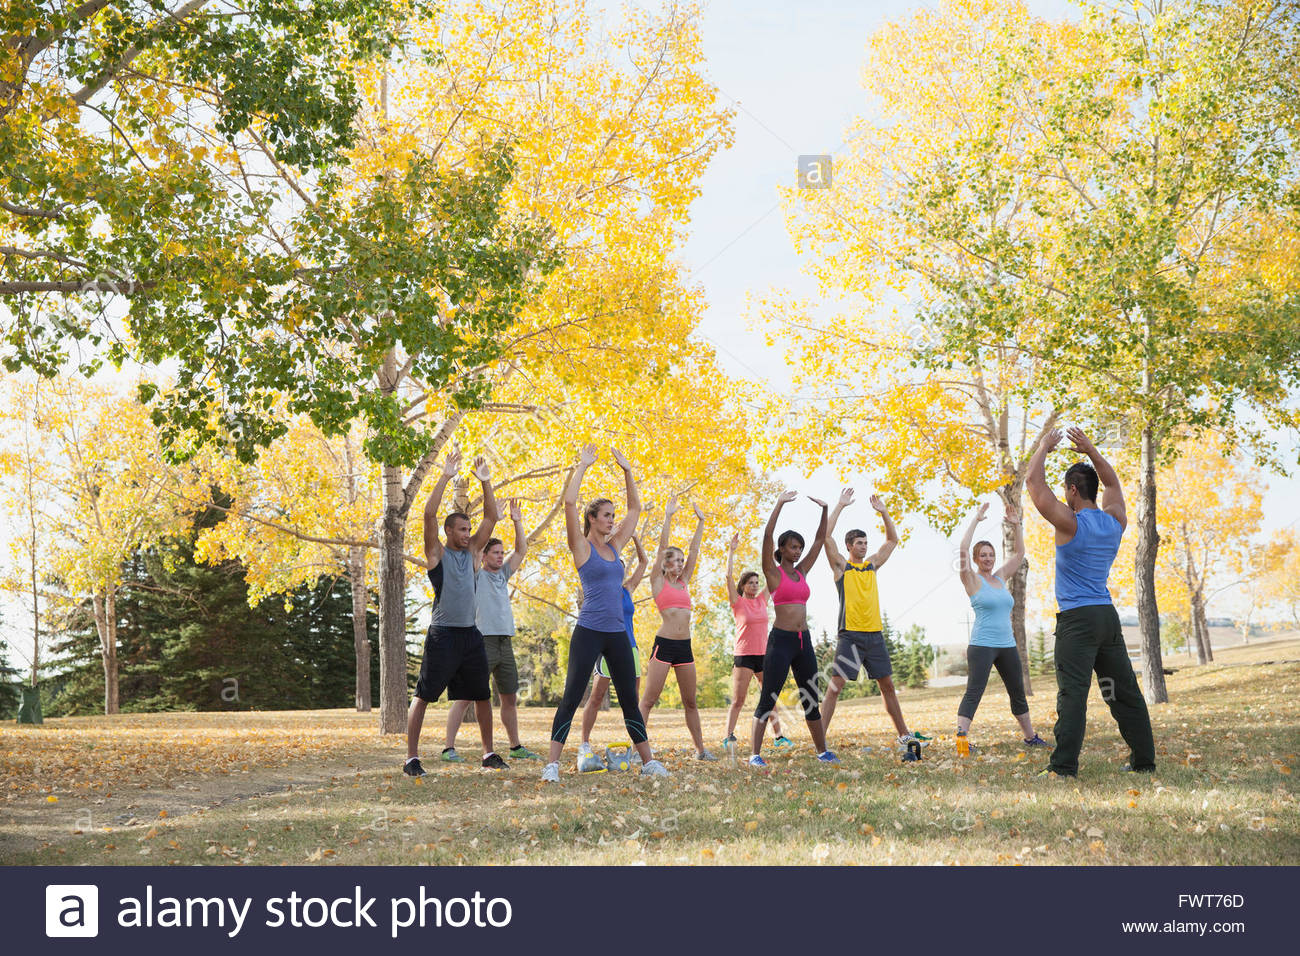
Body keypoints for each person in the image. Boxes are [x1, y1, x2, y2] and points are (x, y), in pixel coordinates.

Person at [1026, 426, 1156, 778]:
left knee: (1073, 695)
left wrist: (1043, 448)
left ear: (1071, 490)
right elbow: (1113, 485)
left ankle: (1062, 767)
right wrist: (1091, 450)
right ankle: (1143, 761)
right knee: (1123, 691)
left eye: (1067, 490)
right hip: (1106, 619)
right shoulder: (1115, 522)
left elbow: (1035, 487)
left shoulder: (1070, 523)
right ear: (1093, 489)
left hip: (1077, 622)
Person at [541, 445, 668, 782]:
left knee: (630, 700)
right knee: (572, 696)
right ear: (593, 520)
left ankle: (649, 763)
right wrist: (582, 466)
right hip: (589, 631)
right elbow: (569, 503)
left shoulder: (615, 546)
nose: (613, 519)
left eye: (613, 515)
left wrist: (627, 470)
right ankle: (552, 765)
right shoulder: (581, 547)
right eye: (606, 515)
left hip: (616, 634)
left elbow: (635, 508)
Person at [404, 448, 505, 777]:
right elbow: (428, 514)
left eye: (468, 529)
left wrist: (486, 482)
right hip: (443, 636)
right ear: (450, 532)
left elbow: (491, 517)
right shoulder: (436, 553)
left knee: (482, 695)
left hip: (470, 636)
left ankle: (489, 754)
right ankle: (411, 758)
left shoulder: (475, 552)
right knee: (423, 696)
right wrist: (446, 475)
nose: (468, 533)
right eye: (462, 529)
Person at [821, 488, 927, 752]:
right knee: (835, 687)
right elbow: (825, 536)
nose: (864, 547)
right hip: (851, 635)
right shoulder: (841, 567)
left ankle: (903, 734)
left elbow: (892, 541)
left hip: (875, 635)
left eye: (866, 543)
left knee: (887, 686)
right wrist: (840, 505)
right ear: (849, 546)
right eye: (859, 543)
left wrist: (884, 512)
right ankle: (819, 739)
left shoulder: (871, 566)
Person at [442, 498, 542, 763]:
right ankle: (448, 748)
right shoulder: (476, 573)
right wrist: (493, 517)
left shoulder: (503, 574)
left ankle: (515, 746)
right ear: (483, 556)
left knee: (509, 698)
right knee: (466, 697)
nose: (500, 556)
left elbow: (521, 550)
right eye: (495, 552)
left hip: (504, 642)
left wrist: (517, 521)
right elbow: (474, 550)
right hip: (480, 642)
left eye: (501, 552)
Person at [750, 490, 838, 768]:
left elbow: (820, 540)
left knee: (811, 696)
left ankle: (822, 752)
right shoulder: (772, 573)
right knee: (769, 697)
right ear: (782, 549)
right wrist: (778, 504)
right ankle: (754, 755)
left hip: (803, 642)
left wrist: (825, 510)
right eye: (792, 547)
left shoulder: (802, 571)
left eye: (799, 547)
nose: (798, 551)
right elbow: (766, 536)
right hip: (780, 642)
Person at [954, 502, 1048, 752]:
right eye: (983, 555)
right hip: (982, 645)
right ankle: (962, 742)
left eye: (991, 554)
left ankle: (1030, 737)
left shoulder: (1000, 577)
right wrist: (976, 519)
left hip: (1007, 645)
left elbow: (1019, 555)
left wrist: (1016, 526)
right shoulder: (971, 579)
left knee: (1017, 691)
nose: (988, 558)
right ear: (976, 559)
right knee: (974, 691)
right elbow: (963, 548)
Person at [638, 495, 717, 760]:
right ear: (665, 563)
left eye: (682, 561)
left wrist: (701, 522)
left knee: (691, 702)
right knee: (648, 700)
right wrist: (668, 516)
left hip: (685, 647)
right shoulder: (658, 582)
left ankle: (701, 750)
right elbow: (661, 548)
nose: (681, 564)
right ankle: (637, 750)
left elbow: (695, 552)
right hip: (665, 645)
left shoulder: (684, 582)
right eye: (676, 560)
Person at [578, 530, 648, 764]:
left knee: (633, 702)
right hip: (607, 646)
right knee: (597, 696)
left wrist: (635, 538)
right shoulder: (599, 590)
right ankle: (584, 743)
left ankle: (640, 750)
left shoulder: (627, 590)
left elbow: (644, 562)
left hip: (631, 648)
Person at [721, 533, 791, 752]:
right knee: (738, 700)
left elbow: (773, 576)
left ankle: (778, 736)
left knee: (769, 696)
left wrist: (770, 557)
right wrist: (731, 551)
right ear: (743, 586)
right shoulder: (737, 602)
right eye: (750, 583)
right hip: (744, 656)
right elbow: (727, 576)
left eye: (756, 582)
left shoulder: (762, 599)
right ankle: (728, 736)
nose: (754, 585)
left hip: (764, 654)